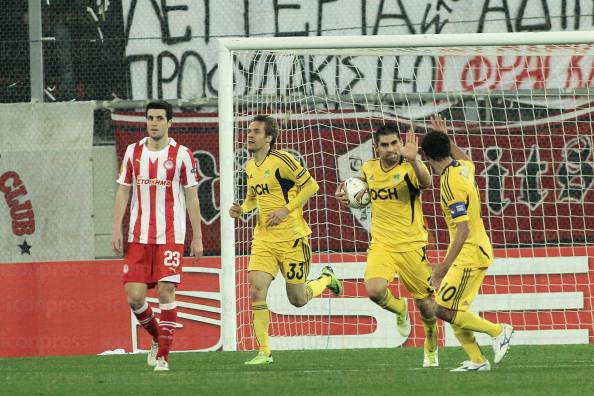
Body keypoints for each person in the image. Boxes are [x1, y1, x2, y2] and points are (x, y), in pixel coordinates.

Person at [229, 115, 342, 365]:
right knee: (256, 291)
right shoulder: (249, 166)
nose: (250, 135)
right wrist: (243, 210)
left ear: (269, 137)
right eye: (249, 131)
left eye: (256, 131)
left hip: (292, 239)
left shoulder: (282, 161)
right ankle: (264, 351)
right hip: (264, 240)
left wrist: (285, 210)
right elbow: (252, 199)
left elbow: (311, 186)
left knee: (298, 299)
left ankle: (326, 278)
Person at [335, 124, 439, 368]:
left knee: (426, 306)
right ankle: (400, 308)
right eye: (385, 145)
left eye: (394, 143)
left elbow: (426, 183)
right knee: (374, 291)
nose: (391, 149)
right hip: (382, 244)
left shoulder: (408, 167)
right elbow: (356, 187)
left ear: (400, 143)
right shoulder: (369, 168)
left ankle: (431, 349)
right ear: (376, 148)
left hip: (412, 245)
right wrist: (343, 193)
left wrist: (414, 160)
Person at [112, 100, 203, 372]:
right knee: (135, 297)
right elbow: (123, 191)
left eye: (160, 118)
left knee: (166, 290)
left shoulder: (183, 154)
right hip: (138, 236)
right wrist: (116, 227)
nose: (154, 122)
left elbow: (191, 196)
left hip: (171, 236)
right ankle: (156, 338)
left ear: (169, 122)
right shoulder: (133, 152)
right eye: (150, 118)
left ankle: (163, 356)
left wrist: (197, 237)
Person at [421, 115, 513, 372]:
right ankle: (477, 360)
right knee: (452, 308)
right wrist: (446, 137)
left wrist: (443, 267)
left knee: (441, 309)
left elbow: (463, 228)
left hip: (469, 252)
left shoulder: (449, 184)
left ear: (427, 157)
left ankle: (499, 331)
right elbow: (468, 160)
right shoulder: (461, 168)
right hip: (477, 248)